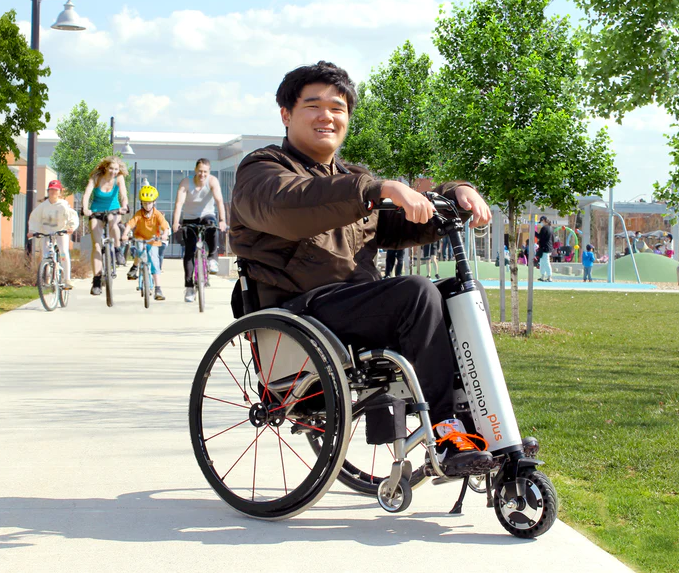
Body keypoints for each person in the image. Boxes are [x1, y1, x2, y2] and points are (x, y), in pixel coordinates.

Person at [228, 60, 494, 476]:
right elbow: (291, 204)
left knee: (460, 298)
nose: (327, 116)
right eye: (313, 105)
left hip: (356, 308)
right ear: (286, 114)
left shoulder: (354, 179)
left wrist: (454, 193)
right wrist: (376, 189)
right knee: (416, 292)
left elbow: (397, 219)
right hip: (301, 312)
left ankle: (482, 427)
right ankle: (445, 431)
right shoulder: (260, 170)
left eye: (338, 108)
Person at [173, 159, 228, 303]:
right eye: (200, 171)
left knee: (211, 226)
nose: (202, 174)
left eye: (205, 171)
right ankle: (189, 287)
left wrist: (222, 220)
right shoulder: (186, 183)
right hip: (190, 219)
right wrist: (175, 222)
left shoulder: (212, 181)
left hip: (206, 215)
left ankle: (212, 258)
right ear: (195, 170)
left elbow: (219, 201)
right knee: (189, 253)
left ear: (208, 172)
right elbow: (179, 203)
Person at [82, 156, 129, 296]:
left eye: (116, 169)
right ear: (105, 168)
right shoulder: (96, 178)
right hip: (97, 209)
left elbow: (124, 195)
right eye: (111, 168)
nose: (114, 171)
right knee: (97, 245)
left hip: (114, 209)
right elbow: (86, 195)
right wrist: (85, 208)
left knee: (112, 221)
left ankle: (117, 249)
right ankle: (96, 280)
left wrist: (124, 206)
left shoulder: (119, 178)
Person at [27, 180, 79, 289]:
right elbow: (34, 219)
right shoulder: (43, 206)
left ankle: (67, 279)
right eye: (51, 190)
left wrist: (71, 227)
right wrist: (32, 231)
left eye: (55, 190)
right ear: (48, 191)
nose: (53, 192)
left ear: (60, 192)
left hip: (61, 232)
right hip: (46, 233)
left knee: (63, 253)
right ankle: (47, 277)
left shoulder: (63, 205)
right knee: (45, 254)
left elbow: (72, 216)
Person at [122, 184, 169, 301]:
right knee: (139, 251)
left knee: (154, 261)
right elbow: (131, 223)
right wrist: (125, 234)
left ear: (154, 203)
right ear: (141, 203)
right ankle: (134, 267)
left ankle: (158, 288)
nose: (147, 205)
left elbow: (165, 226)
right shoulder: (139, 214)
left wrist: (164, 234)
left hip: (154, 240)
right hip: (140, 238)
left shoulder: (157, 214)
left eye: (149, 203)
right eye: (144, 203)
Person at [536, 216, 554, 282]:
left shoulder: (544, 228)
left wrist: (534, 232)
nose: (541, 223)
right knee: (542, 262)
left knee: (546, 262)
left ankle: (549, 276)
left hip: (544, 248)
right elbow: (552, 239)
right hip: (548, 247)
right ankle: (543, 275)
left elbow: (540, 236)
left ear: (543, 220)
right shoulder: (551, 228)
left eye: (541, 222)